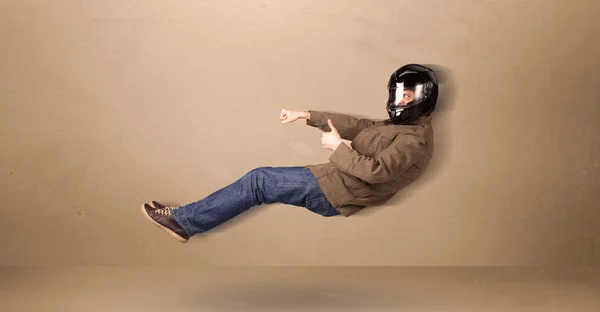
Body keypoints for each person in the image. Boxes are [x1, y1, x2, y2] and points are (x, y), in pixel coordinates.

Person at [140, 64, 439, 243]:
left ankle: (183, 222)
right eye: (396, 94)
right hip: (335, 180)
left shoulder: (415, 140)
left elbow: (377, 173)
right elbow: (361, 125)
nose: (398, 100)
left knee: (259, 181)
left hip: (338, 191)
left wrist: (338, 148)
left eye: (406, 95)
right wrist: (306, 115)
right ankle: (184, 219)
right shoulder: (403, 126)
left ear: (423, 98)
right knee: (260, 181)